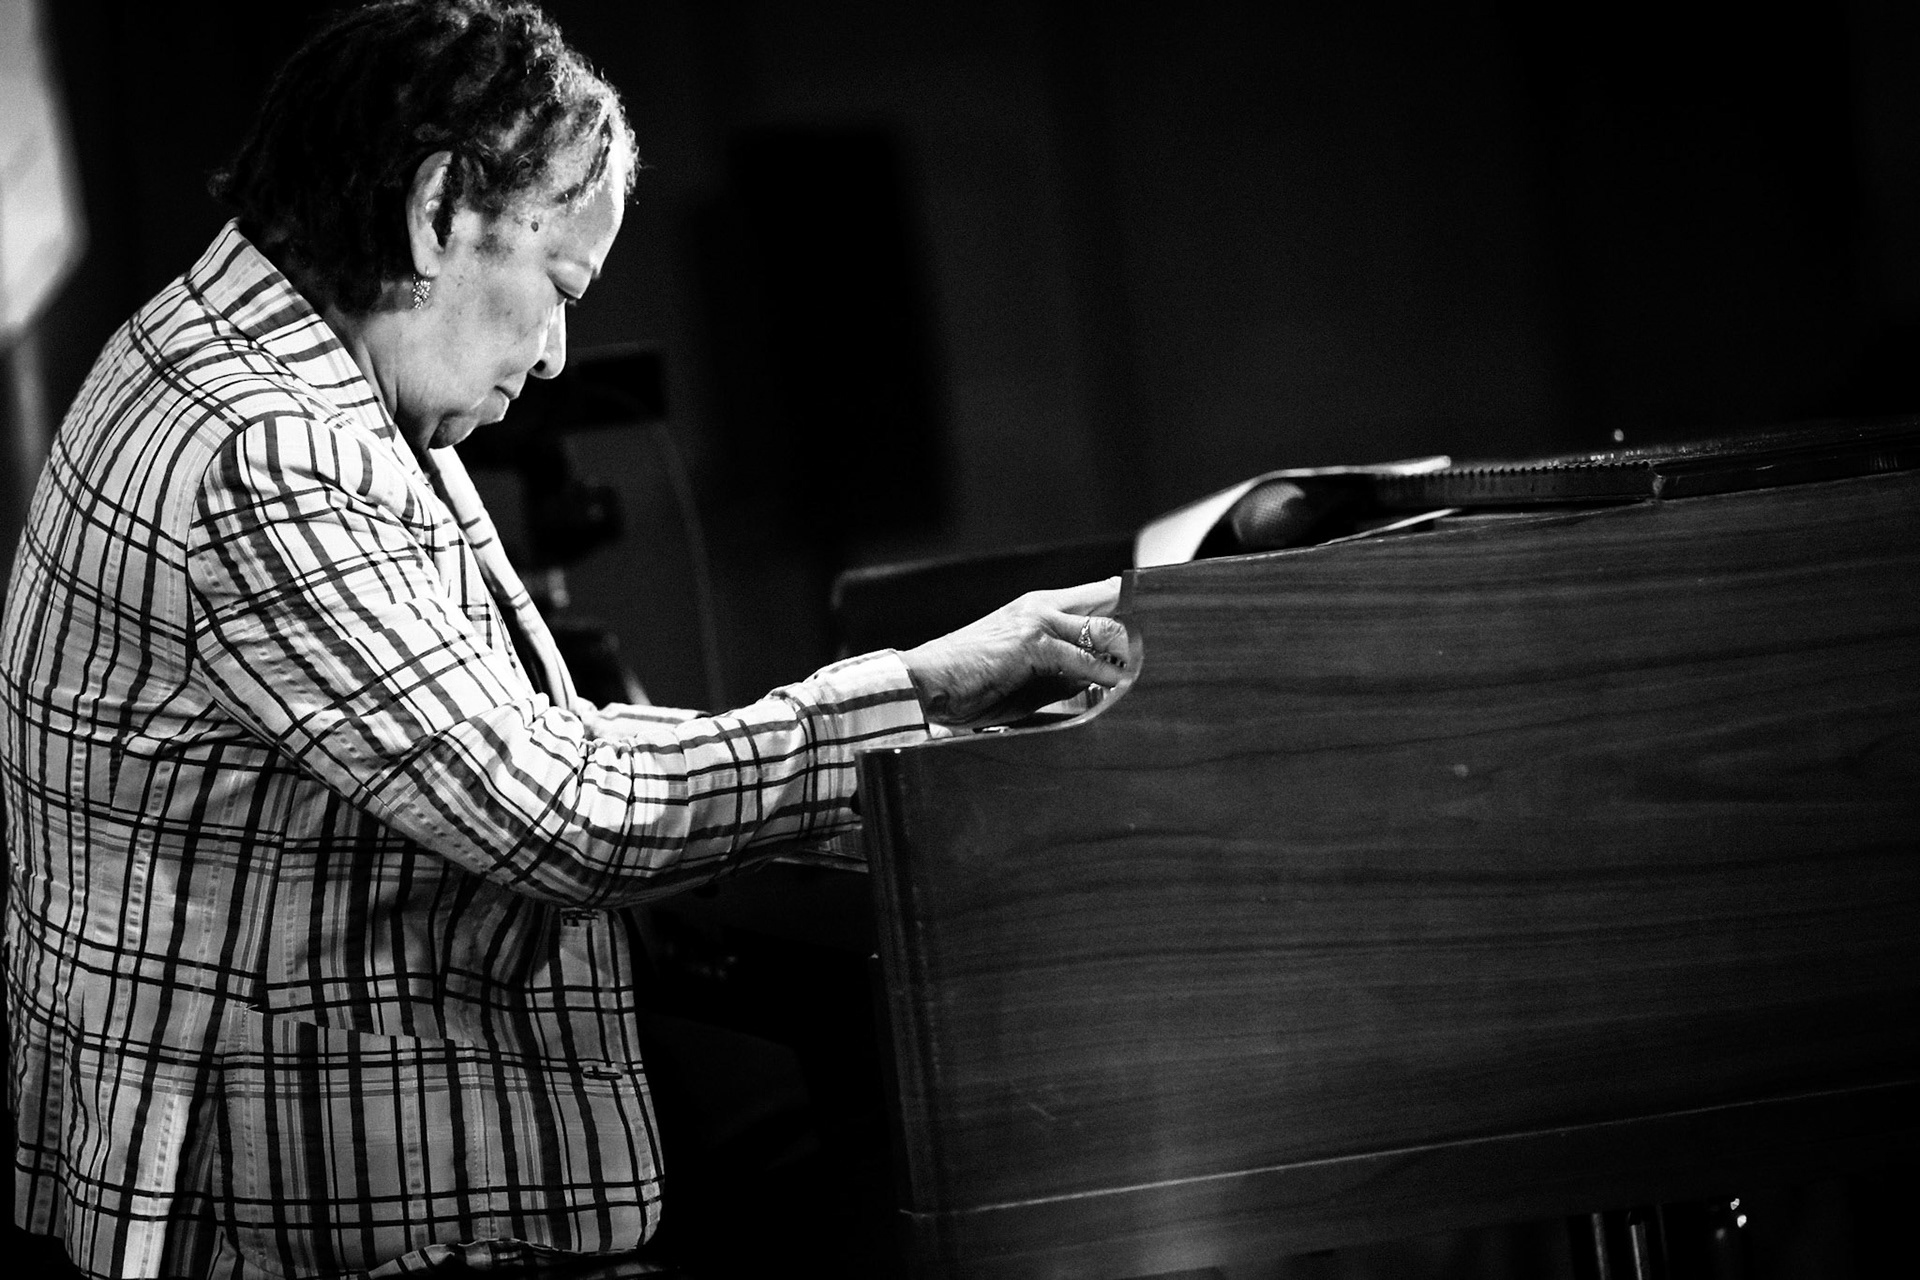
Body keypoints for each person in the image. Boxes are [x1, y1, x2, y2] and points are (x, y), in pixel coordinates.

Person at [0, 2, 1126, 1276]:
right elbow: (560, 815)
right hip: (298, 1218)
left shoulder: (229, 349)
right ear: (437, 209)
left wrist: (881, 752)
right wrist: (910, 693)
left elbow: (511, 738)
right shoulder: (274, 449)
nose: (552, 356)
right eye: (557, 287)